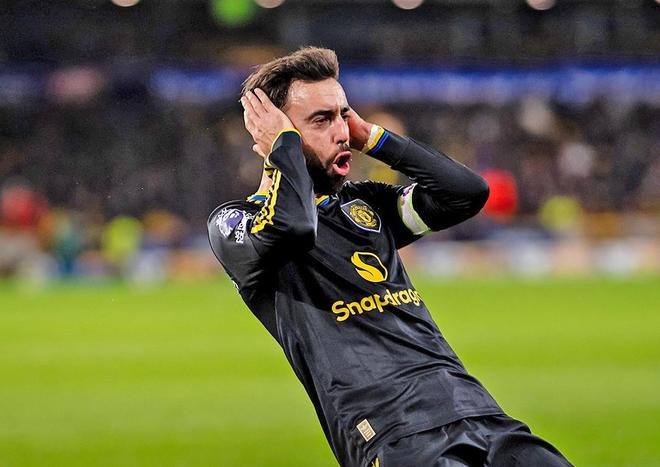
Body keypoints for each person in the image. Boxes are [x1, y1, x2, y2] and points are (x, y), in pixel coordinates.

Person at [208, 47, 571, 467]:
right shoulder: (236, 223)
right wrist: (283, 147)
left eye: (343, 115)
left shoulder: (365, 203)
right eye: (322, 120)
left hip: (479, 412)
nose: (341, 132)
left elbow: (467, 194)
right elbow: (294, 227)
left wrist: (372, 137)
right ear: (271, 131)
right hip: (395, 434)